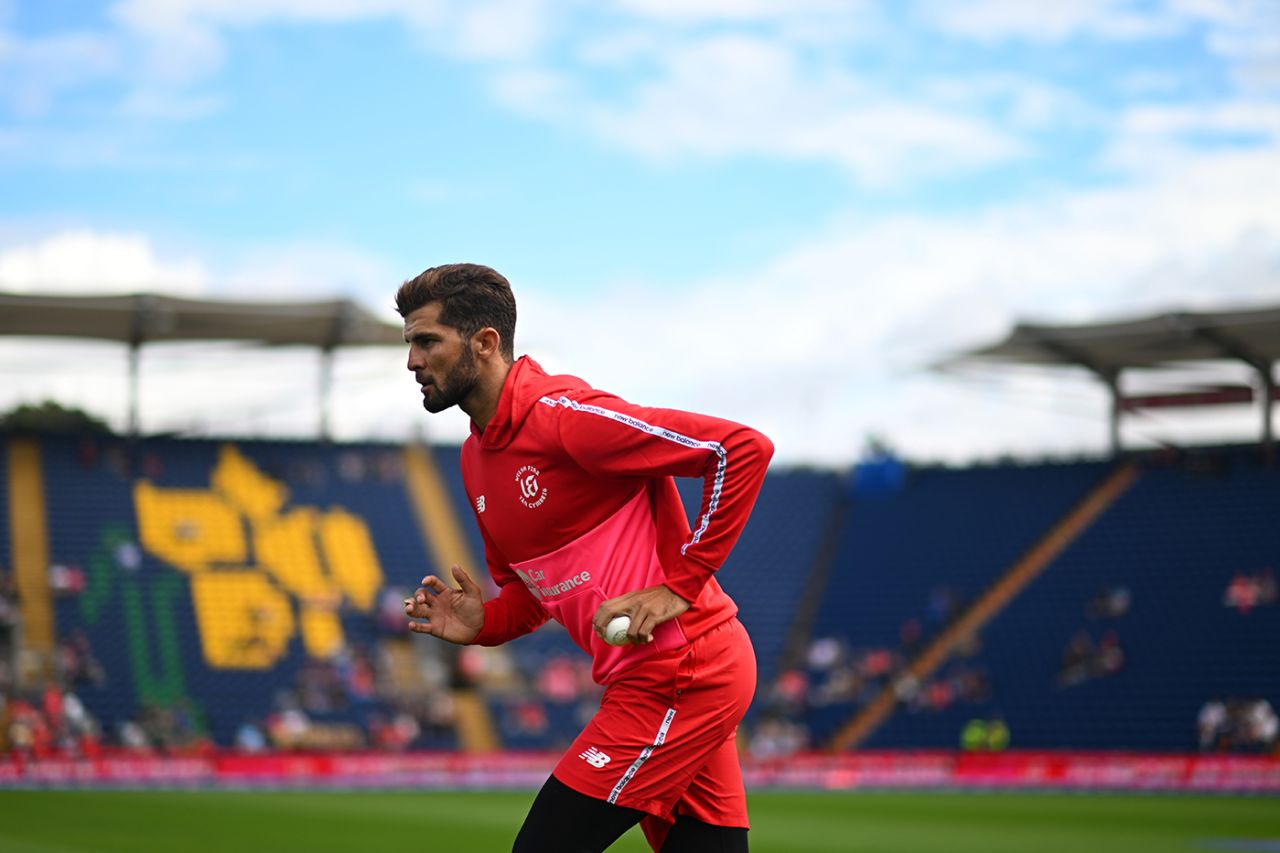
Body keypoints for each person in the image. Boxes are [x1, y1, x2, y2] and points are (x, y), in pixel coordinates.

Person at [399, 264, 772, 852]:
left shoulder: (564, 416)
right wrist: (486, 624)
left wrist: (681, 584)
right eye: (410, 344)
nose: (413, 361)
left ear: (485, 342)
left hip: (682, 669)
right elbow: (531, 597)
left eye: (427, 341)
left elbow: (740, 449)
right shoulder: (475, 459)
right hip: (659, 675)